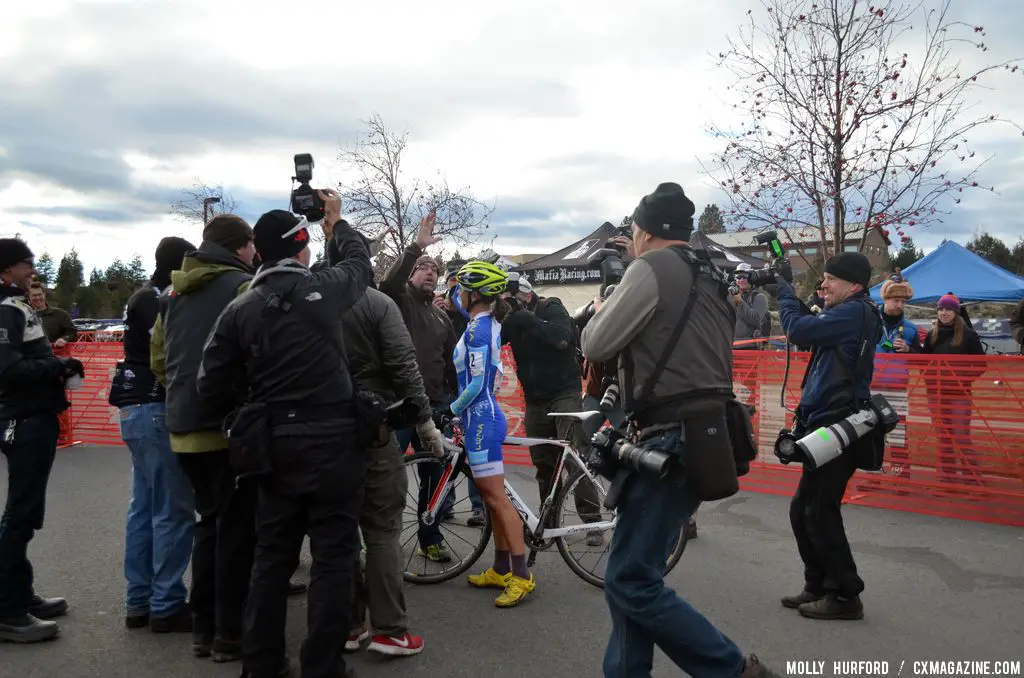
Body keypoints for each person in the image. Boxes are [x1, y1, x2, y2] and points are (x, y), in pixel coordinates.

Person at [581, 183, 773, 678]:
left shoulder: (652, 267)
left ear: (642, 231)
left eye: (635, 232)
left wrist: (605, 306)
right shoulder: (709, 273)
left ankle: (733, 669)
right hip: (708, 433)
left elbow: (597, 344)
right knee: (633, 571)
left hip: (667, 434)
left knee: (628, 580)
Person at [197, 195, 373, 678]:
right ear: (301, 248)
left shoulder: (241, 309)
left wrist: (248, 404)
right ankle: (323, 666)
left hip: (273, 444)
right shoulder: (325, 289)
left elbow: (208, 383)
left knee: (272, 556)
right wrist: (336, 223)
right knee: (334, 556)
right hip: (335, 442)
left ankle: (262, 664)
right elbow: (361, 264)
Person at [150, 214, 258, 661]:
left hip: (183, 426)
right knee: (236, 533)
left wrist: (182, 392)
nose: (255, 254)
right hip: (226, 426)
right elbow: (256, 349)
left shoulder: (173, 291)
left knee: (208, 525)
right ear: (240, 247)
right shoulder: (240, 285)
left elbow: (160, 356)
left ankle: (204, 627)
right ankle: (229, 634)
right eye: (251, 245)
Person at [777, 251, 882, 621]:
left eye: (829, 280)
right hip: (824, 424)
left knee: (820, 510)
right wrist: (794, 296)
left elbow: (799, 330)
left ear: (853, 284)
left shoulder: (855, 312)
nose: (823, 285)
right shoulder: (850, 313)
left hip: (839, 426)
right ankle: (818, 584)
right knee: (803, 507)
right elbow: (811, 326)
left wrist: (785, 294)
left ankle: (844, 595)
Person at [341, 272, 440, 657]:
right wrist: (426, 423)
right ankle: (390, 631)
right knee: (382, 529)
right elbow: (404, 366)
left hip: (320, 431)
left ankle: (349, 625)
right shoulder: (377, 303)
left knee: (338, 530)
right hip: (373, 425)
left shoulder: (308, 299)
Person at [110, 237, 197, 632]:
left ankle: (139, 599)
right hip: (157, 406)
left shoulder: (140, 296)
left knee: (143, 508)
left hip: (133, 409)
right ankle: (166, 603)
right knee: (173, 509)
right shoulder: (162, 299)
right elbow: (171, 349)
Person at [0, 238, 83, 643]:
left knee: (26, 514)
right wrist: (59, 364)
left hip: (34, 416)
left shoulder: (15, 306)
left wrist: (53, 363)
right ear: (6, 270)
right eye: (25, 263)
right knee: (19, 515)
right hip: (24, 418)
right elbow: (9, 368)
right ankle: (8, 610)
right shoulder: (4, 308)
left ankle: (20, 594)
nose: (32, 269)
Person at [453, 261, 537, 608]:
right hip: (483, 418)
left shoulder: (478, 329)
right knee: (491, 497)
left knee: (497, 499)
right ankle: (501, 566)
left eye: (460, 288)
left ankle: (522, 575)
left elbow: (475, 384)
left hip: (481, 419)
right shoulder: (484, 324)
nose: (456, 294)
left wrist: (453, 409)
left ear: (474, 294)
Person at [379, 215, 460, 563]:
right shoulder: (401, 301)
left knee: (435, 478)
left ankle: (430, 538)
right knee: (387, 478)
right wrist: (417, 248)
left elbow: (452, 363)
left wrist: (453, 405)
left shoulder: (442, 317)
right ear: (412, 275)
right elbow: (390, 282)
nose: (429, 272)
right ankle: (380, 541)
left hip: (434, 408)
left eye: (434, 270)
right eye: (423, 268)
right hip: (398, 407)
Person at [921, 293, 986, 485]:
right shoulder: (932, 335)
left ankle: (972, 478)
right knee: (943, 436)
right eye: (941, 309)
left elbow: (981, 365)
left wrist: (961, 379)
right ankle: (947, 478)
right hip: (936, 394)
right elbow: (923, 361)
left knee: (960, 436)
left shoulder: (969, 336)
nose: (944, 312)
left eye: (948, 309)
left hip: (959, 395)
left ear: (956, 312)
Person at [871, 275, 921, 480]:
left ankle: (901, 474)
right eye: (895, 300)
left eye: (903, 301)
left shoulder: (911, 328)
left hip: (897, 387)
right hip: (870, 386)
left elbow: (922, 358)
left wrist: (909, 350)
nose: (899, 304)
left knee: (898, 433)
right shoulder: (870, 322)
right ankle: (872, 473)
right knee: (871, 431)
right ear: (885, 299)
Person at [27, 282, 77, 346]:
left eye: (39, 294)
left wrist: (64, 339)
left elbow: (72, 332)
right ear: (29, 297)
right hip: (33, 354)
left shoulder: (61, 314)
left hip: (58, 354)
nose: (37, 298)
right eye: (34, 295)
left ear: (44, 295)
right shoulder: (25, 316)